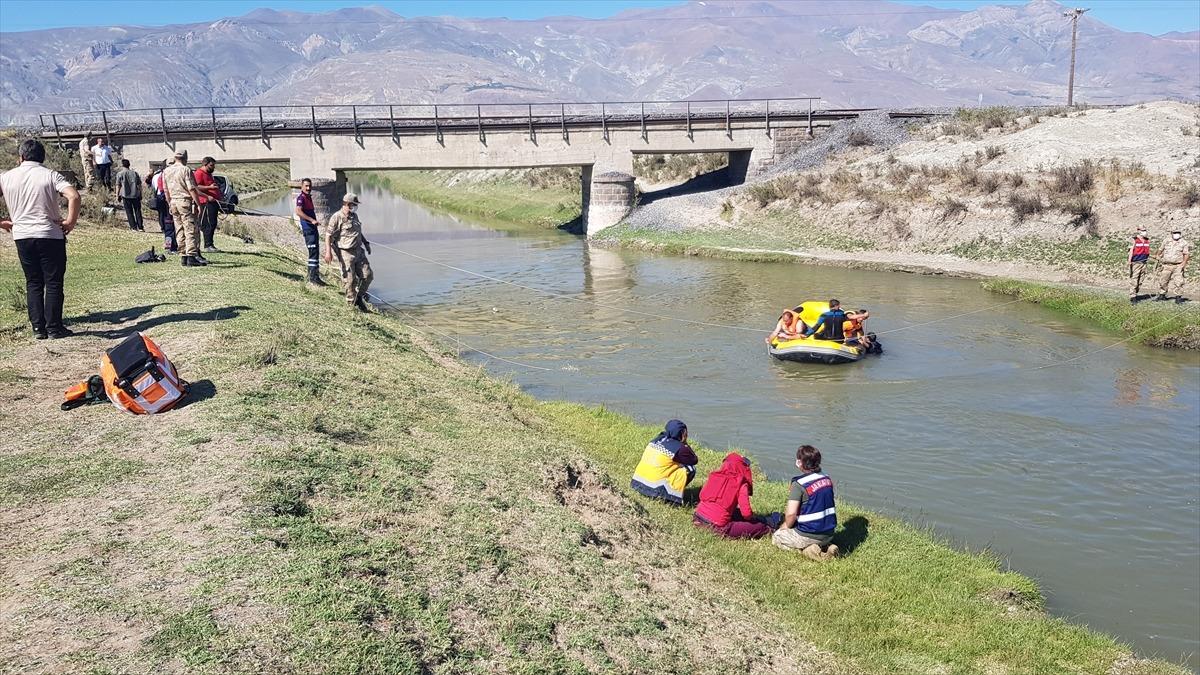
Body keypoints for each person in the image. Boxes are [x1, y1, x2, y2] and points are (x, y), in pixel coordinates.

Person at [0, 139, 81, 339]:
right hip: (49, 233)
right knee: (53, 282)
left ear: (21, 157)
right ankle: (54, 327)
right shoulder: (50, 175)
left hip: (22, 235)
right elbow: (74, 196)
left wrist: (2, 221)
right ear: (43, 157)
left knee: (33, 281)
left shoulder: (6, 177)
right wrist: (70, 222)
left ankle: (38, 328)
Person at [772, 445, 839, 561]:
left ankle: (808, 551)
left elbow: (791, 515)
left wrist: (784, 527)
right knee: (817, 539)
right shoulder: (827, 479)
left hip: (809, 533)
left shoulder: (799, 484)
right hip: (829, 533)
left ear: (800, 463)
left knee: (777, 537)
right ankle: (827, 546)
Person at [693, 452, 776, 539]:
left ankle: (765, 520)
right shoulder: (741, 483)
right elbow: (746, 514)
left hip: (698, 518)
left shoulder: (714, 476)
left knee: (736, 512)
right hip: (717, 527)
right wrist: (753, 519)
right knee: (760, 527)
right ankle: (771, 526)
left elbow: (702, 496)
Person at [630, 419, 699, 505]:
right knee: (690, 468)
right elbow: (694, 460)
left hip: (637, 483)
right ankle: (670, 497)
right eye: (685, 433)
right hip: (654, 490)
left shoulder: (657, 439)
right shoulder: (679, 448)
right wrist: (685, 443)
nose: (687, 435)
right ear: (681, 434)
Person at [323, 192, 373, 310]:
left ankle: (359, 297)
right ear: (347, 204)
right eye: (354, 204)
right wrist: (328, 252)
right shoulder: (337, 217)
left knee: (368, 275)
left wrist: (366, 243)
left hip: (359, 251)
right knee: (349, 281)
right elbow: (328, 235)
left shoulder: (354, 216)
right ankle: (352, 306)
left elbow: (358, 232)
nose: (356, 207)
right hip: (346, 253)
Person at [163, 149, 205, 267]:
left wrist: (169, 202)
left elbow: (166, 190)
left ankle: (183, 255)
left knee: (179, 229)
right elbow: (191, 188)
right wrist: (198, 204)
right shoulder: (185, 170)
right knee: (190, 228)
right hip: (185, 201)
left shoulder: (166, 171)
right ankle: (191, 255)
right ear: (185, 158)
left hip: (173, 201)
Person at [294, 178, 326, 286]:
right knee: (312, 252)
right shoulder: (301, 198)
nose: (308, 188)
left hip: (313, 229)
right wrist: (312, 220)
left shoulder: (308, 197)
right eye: (306, 186)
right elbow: (298, 211)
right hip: (308, 229)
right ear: (301, 187)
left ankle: (315, 277)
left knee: (316, 251)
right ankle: (312, 278)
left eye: (309, 186)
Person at [193, 157, 221, 252]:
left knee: (213, 223)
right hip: (206, 202)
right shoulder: (199, 173)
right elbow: (196, 187)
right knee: (208, 224)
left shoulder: (209, 174)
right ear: (205, 164)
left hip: (213, 202)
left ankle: (210, 244)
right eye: (211, 165)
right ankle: (207, 245)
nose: (213, 167)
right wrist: (209, 189)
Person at [148, 159, 177, 252]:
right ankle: (170, 247)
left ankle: (171, 246)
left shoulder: (158, 175)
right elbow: (162, 189)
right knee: (169, 225)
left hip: (164, 202)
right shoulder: (164, 176)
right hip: (167, 202)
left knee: (167, 224)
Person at [1154, 230, 1190, 302]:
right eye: (1175, 233)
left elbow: (1186, 254)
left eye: (1178, 233)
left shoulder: (1184, 242)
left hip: (1177, 266)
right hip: (1166, 265)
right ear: (1171, 234)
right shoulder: (1166, 241)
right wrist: (1157, 255)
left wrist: (1183, 263)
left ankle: (1178, 297)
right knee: (1163, 281)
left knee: (1178, 282)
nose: (1177, 234)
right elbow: (1160, 249)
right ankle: (1162, 295)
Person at [114, 159, 143, 231]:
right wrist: (140, 193)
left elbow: (118, 185)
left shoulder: (120, 174)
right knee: (137, 211)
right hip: (135, 194)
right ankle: (140, 227)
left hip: (125, 195)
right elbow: (139, 185)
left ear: (122, 165)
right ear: (129, 165)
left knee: (129, 212)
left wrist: (117, 195)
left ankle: (133, 227)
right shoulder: (135, 173)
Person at [1128, 228, 1151, 303]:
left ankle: (1135, 293)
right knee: (1134, 280)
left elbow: (1147, 251)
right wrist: (1129, 260)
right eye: (1143, 230)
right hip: (1136, 263)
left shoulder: (1147, 240)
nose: (1145, 232)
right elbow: (1131, 250)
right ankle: (1133, 297)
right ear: (1139, 231)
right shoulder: (1134, 240)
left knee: (1140, 280)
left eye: (1145, 230)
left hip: (1144, 262)